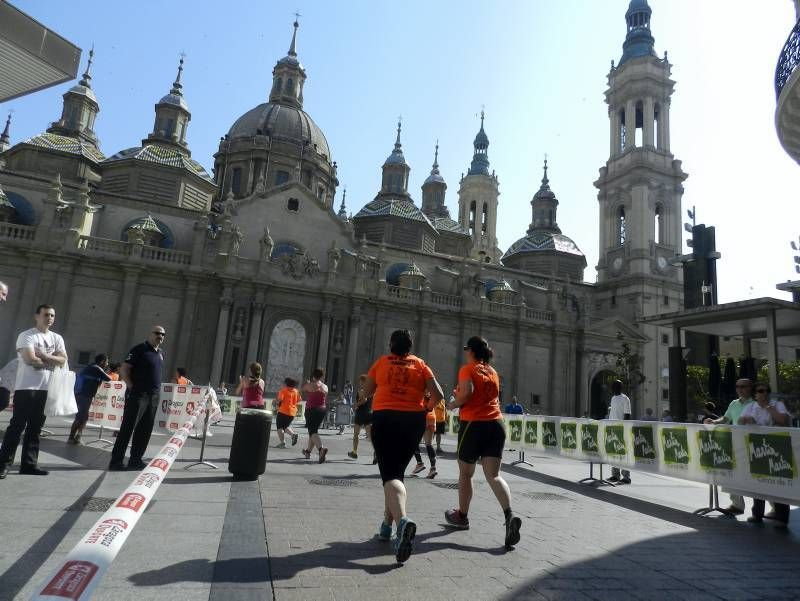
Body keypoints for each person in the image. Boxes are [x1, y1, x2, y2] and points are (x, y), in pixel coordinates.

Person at [363, 329, 444, 563]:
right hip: (413, 421)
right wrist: (427, 407)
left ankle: (403, 523)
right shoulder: (420, 364)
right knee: (396, 474)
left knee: (390, 476)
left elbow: (367, 391)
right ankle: (387, 526)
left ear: (391, 345)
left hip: (385, 418)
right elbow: (438, 393)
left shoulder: (381, 362)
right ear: (410, 346)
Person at [444, 336, 522, 551]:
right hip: (496, 424)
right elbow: (483, 395)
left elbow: (467, 393)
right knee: (494, 475)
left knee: (466, 473)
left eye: (466, 349)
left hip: (474, 425)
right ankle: (509, 515)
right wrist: (462, 395)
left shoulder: (467, 369)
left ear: (471, 351)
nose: (465, 352)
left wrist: (453, 403)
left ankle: (462, 516)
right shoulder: (493, 371)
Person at [0, 304, 67, 479]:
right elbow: (30, 360)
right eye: (46, 315)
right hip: (26, 388)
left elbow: (63, 360)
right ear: (36, 316)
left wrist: (44, 357)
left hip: (46, 389)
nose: (49, 318)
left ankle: (29, 464)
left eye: (52, 315)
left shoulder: (57, 338)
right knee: (17, 426)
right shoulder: (27, 335)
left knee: (36, 428)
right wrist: (52, 361)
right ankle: (3, 463)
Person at [108, 326, 166, 471]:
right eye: (157, 333)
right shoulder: (139, 349)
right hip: (138, 395)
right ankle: (116, 461)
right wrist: (131, 386)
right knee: (128, 428)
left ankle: (135, 460)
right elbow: (125, 368)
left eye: (163, 334)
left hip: (153, 397)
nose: (160, 336)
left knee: (145, 430)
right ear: (150, 334)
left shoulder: (160, 353)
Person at [739, 383, 792, 527]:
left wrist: (769, 407)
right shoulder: (750, 407)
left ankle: (782, 517)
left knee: (778, 482)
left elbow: (783, 421)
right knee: (758, 481)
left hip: (777, 448)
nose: (763, 393)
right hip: (756, 448)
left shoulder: (777, 404)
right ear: (755, 394)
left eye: (766, 391)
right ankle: (757, 514)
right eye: (760, 391)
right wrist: (746, 420)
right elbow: (739, 421)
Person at [704, 378, 753, 514]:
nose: (740, 389)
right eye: (738, 386)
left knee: (758, 476)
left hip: (752, 444)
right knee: (730, 472)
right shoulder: (733, 403)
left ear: (750, 388)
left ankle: (774, 508)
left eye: (743, 386)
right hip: (735, 443)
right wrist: (714, 421)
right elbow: (725, 419)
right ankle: (737, 505)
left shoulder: (755, 403)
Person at [68, 354, 111, 444]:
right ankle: (72, 438)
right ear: (102, 361)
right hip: (85, 395)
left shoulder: (90, 367)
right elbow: (108, 378)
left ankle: (77, 437)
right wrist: (105, 371)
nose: (107, 364)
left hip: (82, 394)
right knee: (81, 416)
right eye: (106, 362)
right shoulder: (96, 368)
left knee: (83, 417)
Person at [607, 380, 632, 484]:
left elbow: (627, 415)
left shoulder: (625, 399)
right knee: (614, 453)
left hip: (621, 429)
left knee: (624, 453)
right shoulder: (613, 398)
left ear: (620, 388)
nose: (613, 388)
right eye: (613, 386)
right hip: (612, 429)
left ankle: (626, 476)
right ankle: (615, 475)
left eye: (615, 386)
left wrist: (624, 428)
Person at [301, 368, 329, 463]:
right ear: (322, 376)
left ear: (313, 376)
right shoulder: (325, 387)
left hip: (311, 410)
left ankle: (321, 449)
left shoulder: (310, 385)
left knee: (312, 432)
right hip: (322, 410)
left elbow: (303, 389)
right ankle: (308, 451)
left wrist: (308, 383)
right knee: (313, 431)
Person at [348, 374, 374, 462]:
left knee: (356, 434)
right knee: (369, 435)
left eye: (360, 381)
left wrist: (356, 405)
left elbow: (364, 400)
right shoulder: (371, 391)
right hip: (369, 413)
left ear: (363, 382)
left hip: (361, 414)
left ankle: (354, 452)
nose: (359, 383)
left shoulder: (362, 390)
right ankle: (376, 453)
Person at [411, 401, 438, 479]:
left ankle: (419, 463)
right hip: (431, 416)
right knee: (429, 444)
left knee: (413, 442)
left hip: (421, 415)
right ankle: (433, 468)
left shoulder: (420, 389)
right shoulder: (432, 390)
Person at [274, 377, 300, 448]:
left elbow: (279, 400)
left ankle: (282, 443)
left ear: (286, 383)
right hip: (292, 412)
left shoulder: (283, 391)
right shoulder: (296, 391)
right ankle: (293, 435)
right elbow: (298, 400)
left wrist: (276, 404)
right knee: (285, 426)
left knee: (279, 427)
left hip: (283, 411)